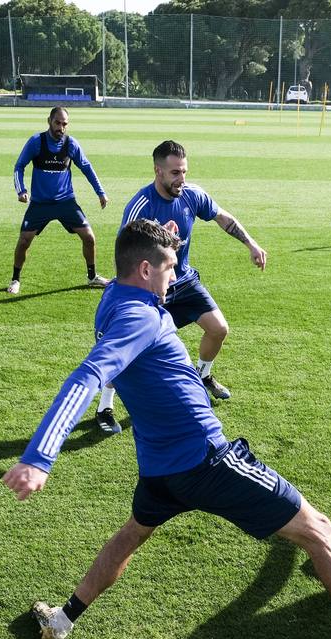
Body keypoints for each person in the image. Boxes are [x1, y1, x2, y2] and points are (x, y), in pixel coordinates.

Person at [3, 219, 331, 639]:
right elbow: (87, 377)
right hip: (207, 461)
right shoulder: (139, 317)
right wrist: (39, 457)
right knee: (319, 530)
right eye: (170, 267)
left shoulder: (115, 298)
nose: (176, 277)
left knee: (132, 533)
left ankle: (63, 619)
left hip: (161, 468)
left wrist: (162, 237)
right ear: (146, 269)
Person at [94, 140, 265, 432]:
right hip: (149, 289)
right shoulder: (141, 205)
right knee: (128, 348)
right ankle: (104, 406)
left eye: (184, 172)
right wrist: (129, 291)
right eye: (175, 173)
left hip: (183, 280)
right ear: (158, 171)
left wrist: (251, 243)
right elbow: (125, 250)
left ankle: (203, 374)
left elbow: (223, 218)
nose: (181, 179)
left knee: (218, 329)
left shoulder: (192, 194)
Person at [9, 107, 110, 295]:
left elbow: (87, 168)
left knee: (89, 237)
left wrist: (100, 192)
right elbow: (19, 166)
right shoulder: (36, 142)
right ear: (49, 121)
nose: (61, 127)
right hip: (40, 204)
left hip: (66, 202)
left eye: (65, 124)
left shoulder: (71, 144)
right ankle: (15, 279)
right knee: (24, 241)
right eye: (57, 123)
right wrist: (21, 190)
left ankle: (92, 276)